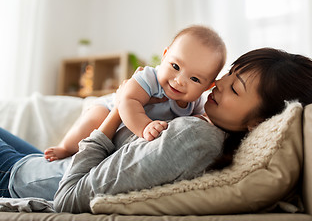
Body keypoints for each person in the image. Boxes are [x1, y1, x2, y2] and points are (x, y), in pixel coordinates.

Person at [0, 48, 312, 214]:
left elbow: (70, 198)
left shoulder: (192, 139)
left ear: (258, 122)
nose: (218, 85)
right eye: (228, 75)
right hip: (39, 164)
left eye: (235, 89)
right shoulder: (206, 122)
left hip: (21, 178)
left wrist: (120, 106)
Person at [44, 25, 226, 161]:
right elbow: (127, 101)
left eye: (194, 79)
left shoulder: (195, 102)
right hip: (111, 109)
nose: (179, 80)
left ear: (207, 87)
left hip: (126, 136)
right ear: (164, 56)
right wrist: (145, 126)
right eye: (175, 66)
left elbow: (201, 118)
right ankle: (65, 148)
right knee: (94, 120)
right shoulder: (149, 77)